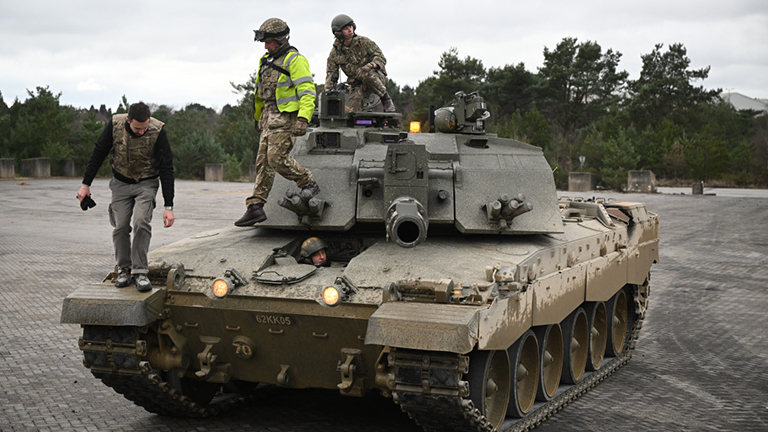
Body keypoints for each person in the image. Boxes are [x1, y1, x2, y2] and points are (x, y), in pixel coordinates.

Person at [76, 102, 175, 292]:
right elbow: (99, 153)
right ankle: (124, 269)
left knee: (141, 222)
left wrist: (168, 206)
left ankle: (140, 272)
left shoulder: (158, 130)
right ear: (128, 120)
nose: (141, 132)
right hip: (120, 184)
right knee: (121, 227)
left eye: (144, 128)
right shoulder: (115, 126)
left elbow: (167, 167)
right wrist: (85, 184)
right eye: (138, 128)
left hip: (146, 183)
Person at [235, 17, 320, 227]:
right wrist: (258, 118)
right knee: (263, 163)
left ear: (281, 40)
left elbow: (308, 92)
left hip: (286, 118)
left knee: (275, 158)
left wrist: (303, 118)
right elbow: (259, 94)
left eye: (270, 42)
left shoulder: (295, 60)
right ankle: (255, 206)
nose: (266, 46)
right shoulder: (265, 61)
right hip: (268, 118)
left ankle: (307, 181)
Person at [325, 14, 395, 112]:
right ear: (338, 32)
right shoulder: (335, 53)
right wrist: (328, 92)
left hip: (376, 78)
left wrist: (371, 65)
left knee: (365, 72)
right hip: (357, 84)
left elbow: (381, 58)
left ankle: (385, 98)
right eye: (346, 28)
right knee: (352, 112)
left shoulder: (364, 42)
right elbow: (331, 74)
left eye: (351, 26)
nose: (350, 30)